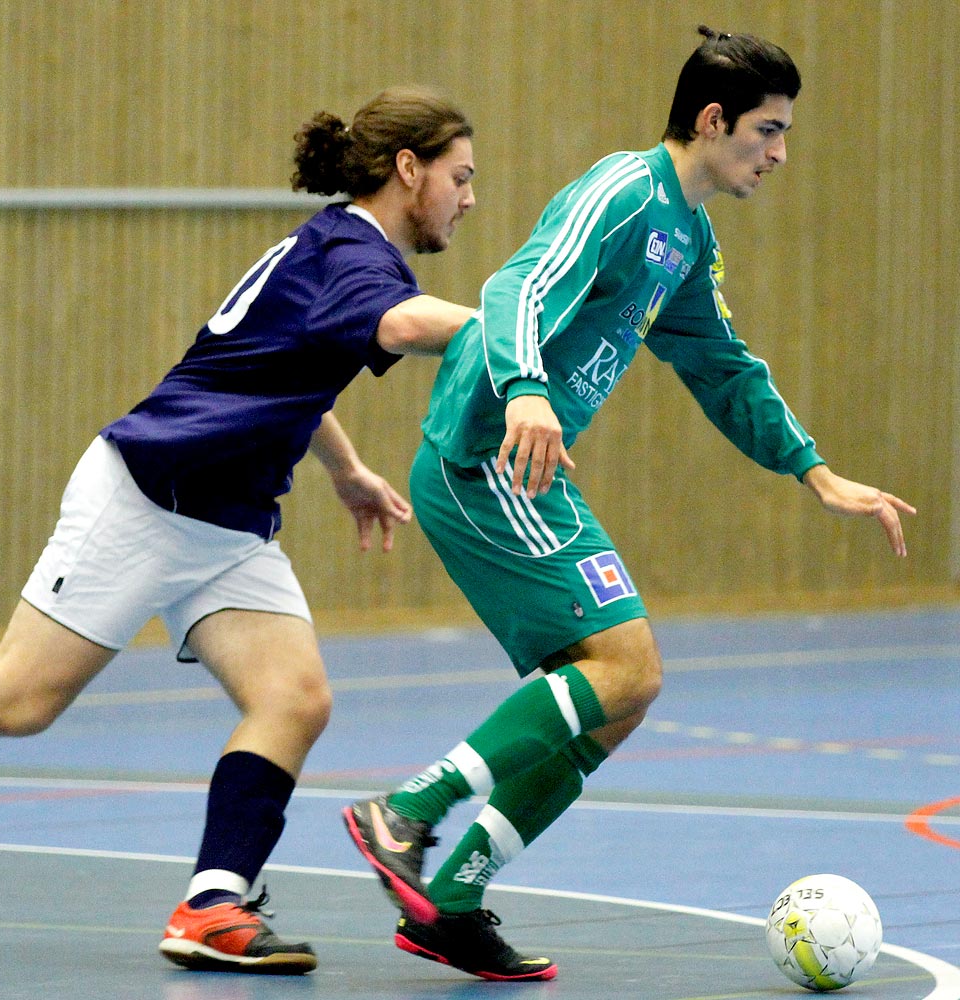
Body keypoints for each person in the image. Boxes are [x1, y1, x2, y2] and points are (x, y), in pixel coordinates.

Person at [0, 85, 478, 976]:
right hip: (150, 496)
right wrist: (506, 325)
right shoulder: (356, 256)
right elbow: (399, 326)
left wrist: (345, 471)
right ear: (408, 169)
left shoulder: (344, 251)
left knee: (294, 699)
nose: (470, 197)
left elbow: (291, 372)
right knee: (17, 699)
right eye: (460, 177)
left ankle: (212, 906)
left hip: (228, 521)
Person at [342, 26, 915, 983]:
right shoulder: (622, 190)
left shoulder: (687, 237)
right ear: (712, 120)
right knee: (626, 665)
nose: (779, 154)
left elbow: (722, 366)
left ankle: (452, 900)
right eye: (767, 132)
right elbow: (514, 286)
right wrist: (526, 388)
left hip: (530, 472)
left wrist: (815, 470)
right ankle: (406, 812)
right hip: (485, 457)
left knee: (619, 701)